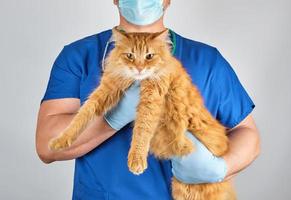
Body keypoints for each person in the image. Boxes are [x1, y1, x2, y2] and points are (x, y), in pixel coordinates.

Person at [35, 0, 261, 199]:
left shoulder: (208, 61)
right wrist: (112, 117)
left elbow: (247, 133)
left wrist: (219, 168)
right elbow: (46, 146)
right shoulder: (78, 56)